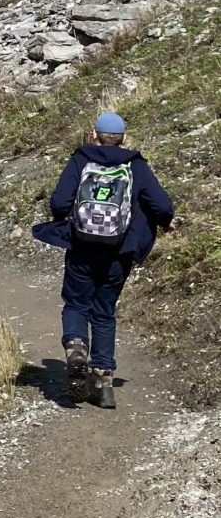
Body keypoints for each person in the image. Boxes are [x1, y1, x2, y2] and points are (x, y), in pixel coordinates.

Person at [33, 111, 175, 409]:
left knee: (76, 303)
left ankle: (75, 346)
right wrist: (165, 222)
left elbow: (59, 202)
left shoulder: (81, 159)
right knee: (105, 310)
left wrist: (70, 219)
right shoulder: (135, 164)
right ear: (124, 137)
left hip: (82, 247)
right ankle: (103, 383)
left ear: (93, 134)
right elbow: (162, 205)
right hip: (119, 252)